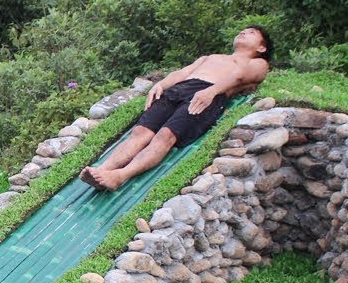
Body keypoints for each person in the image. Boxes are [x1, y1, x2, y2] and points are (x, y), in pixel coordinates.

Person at [80, 25, 272, 191]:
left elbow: (238, 77)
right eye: (243, 30)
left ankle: (120, 176)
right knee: (140, 132)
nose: (243, 32)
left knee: (165, 136)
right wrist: (161, 85)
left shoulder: (258, 63)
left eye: (251, 32)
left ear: (262, 47)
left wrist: (211, 91)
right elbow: (184, 72)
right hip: (180, 89)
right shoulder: (211, 57)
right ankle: (103, 169)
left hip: (208, 93)